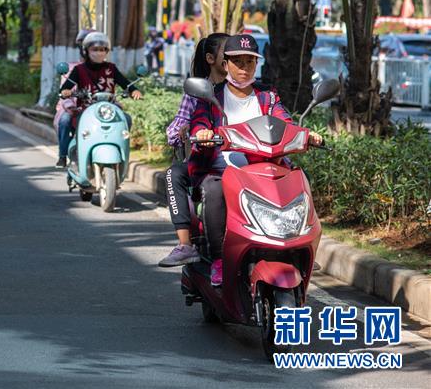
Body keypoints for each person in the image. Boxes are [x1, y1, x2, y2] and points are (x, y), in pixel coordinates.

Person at [185, 34, 322, 286]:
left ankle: (296, 245)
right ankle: (218, 259)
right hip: (222, 169)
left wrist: (306, 136)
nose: (245, 68)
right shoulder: (211, 96)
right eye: (238, 62)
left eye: (250, 62)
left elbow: (284, 122)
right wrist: (202, 132)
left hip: (264, 169)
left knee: (300, 181)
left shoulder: (267, 96)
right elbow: (200, 121)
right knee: (214, 191)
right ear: (225, 64)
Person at [157, 32, 229, 268]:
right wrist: (189, 131)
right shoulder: (198, 91)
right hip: (208, 161)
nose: (237, 61)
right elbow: (174, 131)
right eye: (227, 53)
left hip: (245, 159)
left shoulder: (252, 90)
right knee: (174, 173)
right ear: (210, 58)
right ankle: (185, 244)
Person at [56, 32, 143, 168]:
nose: (99, 53)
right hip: (85, 111)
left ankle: (122, 151)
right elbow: (67, 86)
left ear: (106, 52)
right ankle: (62, 156)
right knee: (65, 119)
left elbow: (125, 83)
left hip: (109, 111)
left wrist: (134, 90)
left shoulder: (112, 68)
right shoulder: (79, 70)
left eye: (102, 50)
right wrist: (65, 91)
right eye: (95, 50)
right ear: (86, 51)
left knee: (127, 119)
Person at [53, 29, 93, 168]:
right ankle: (62, 155)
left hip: (94, 109)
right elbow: (65, 92)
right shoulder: (71, 68)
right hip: (72, 109)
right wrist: (70, 105)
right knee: (64, 120)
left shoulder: (106, 69)